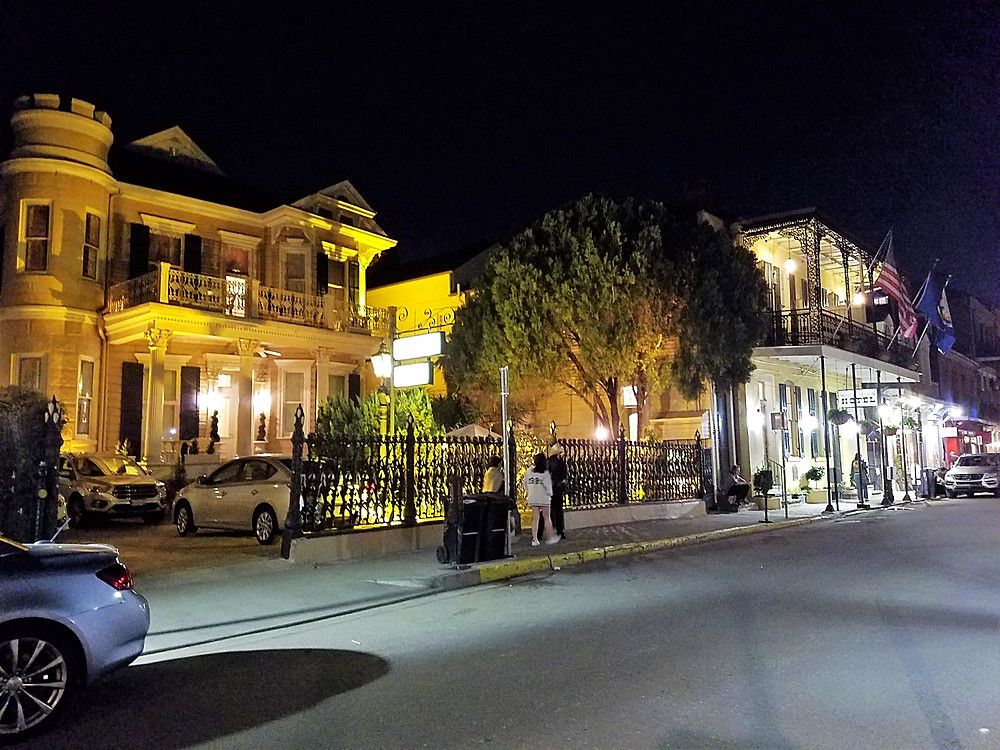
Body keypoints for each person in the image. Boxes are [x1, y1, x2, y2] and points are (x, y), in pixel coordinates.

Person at [524, 452, 559, 547]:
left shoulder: (529, 471)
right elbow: (548, 487)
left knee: (535, 518)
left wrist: (528, 492)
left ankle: (534, 539)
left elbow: (525, 483)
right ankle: (550, 537)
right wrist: (550, 495)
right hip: (543, 497)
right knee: (547, 517)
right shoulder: (545, 473)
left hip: (533, 497)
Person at [547, 443, 568, 539]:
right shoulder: (561, 462)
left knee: (548, 510)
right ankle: (560, 530)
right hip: (558, 488)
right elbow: (564, 475)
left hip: (549, 488)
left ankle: (549, 529)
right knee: (559, 510)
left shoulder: (547, 462)